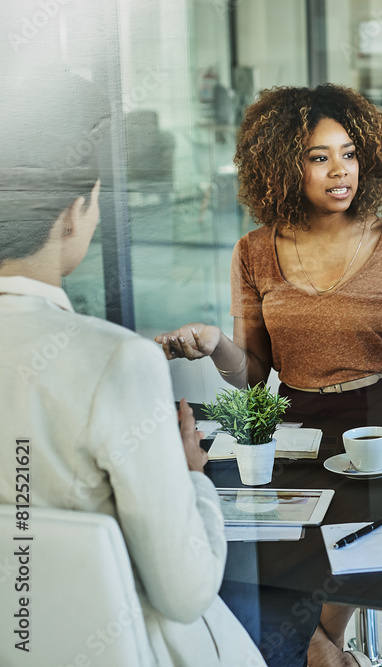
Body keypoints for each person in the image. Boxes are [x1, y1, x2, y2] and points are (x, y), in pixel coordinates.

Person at [156, 84, 382, 667]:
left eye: (348, 152)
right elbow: (252, 377)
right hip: (297, 427)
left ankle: (322, 651)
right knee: (255, 547)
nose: (340, 171)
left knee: (329, 546)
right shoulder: (253, 252)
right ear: (282, 166)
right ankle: (324, 652)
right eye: (319, 157)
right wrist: (217, 344)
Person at [0, 73, 262, 666]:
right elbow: (185, 590)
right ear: (76, 213)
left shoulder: (113, 359)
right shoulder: (119, 363)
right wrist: (190, 472)